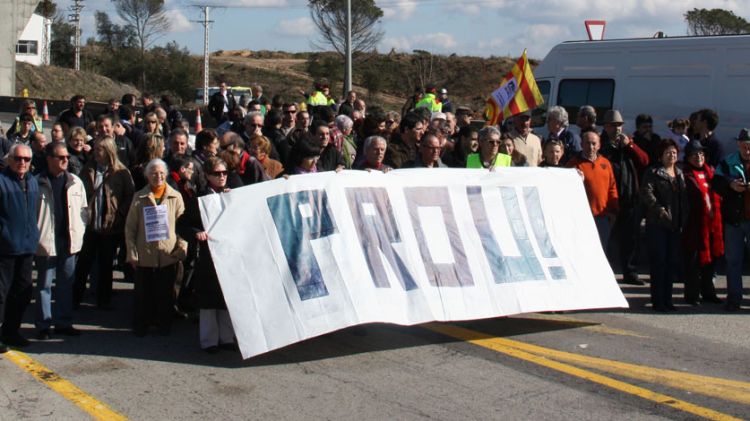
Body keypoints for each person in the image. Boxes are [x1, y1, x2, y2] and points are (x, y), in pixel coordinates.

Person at [176, 157, 236, 353]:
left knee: (227, 298)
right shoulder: (200, 199)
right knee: (209, 300)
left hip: (229, 254)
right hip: (209, 256)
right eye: (217, 173)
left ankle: (227, 338)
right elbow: (182, 224)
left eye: (224, 173)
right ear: (208, 175)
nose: (221, 177)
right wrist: (196, 232)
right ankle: (209, 340)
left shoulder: (232, 195)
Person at [125, 158, 187, 336]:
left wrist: (181, 249)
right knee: (143, 293)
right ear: (147, 176)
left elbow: (183, 226)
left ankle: (163, 324)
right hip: (145, 253)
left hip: (168, 254)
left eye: (161, 173)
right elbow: (130, 228)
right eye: (153, 173)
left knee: (166, 293)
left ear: (166, 175)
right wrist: (132, 253)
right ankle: (142, 324)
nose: (157, 176)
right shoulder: (139, 197)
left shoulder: (176, 197)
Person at [34, 143, 88, 340]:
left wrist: (79, 233)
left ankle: (64, 323)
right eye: (61, 157)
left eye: (67, 157)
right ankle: (43, 325)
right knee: (44, 285)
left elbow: (83, 211)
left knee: (66, 284)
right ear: (49, 159)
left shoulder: (75, 182)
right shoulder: (37, 182)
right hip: (46, 241)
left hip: (69, 240)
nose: (66, 160)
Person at [74, 138, 135, 310]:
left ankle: (103, 299)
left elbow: (130, 196)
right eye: (95, 149)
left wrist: (120, 213)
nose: (95, 153)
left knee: (106, 264)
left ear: (109, 151)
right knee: (83, 263)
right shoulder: (88, 169)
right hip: (91, 225)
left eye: (99, 150)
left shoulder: (121, 173)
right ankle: (75, 297)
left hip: (110, 226)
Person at [600, 109, 649, 285]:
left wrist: (630, 146)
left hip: (629, 198)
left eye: (619, 125)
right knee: (606, 237)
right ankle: (605, 272)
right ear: (606, 127)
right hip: (609, 200)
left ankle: (630, 271)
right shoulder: (601, 145)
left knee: (630, 238)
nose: (617, 129)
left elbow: (644, 161)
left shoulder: (628, 145)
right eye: (613, 126)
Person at [0, 144, 40, 350]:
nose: (22, 162)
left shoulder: (33, 182)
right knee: (1, 293)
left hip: (26, 247)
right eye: (18, 158)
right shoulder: (2, 182)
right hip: (5, 248)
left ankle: (11, 331)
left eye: (26, 159)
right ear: (9, 159)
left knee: (23, 291)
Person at [640, 139, 688, 312]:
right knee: (659, 262)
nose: (672, 155)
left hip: (675, 225)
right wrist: (659, 210)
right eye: (668, 152)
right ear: (661, 155)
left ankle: (668, 299)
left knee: (671, 262)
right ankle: (658, 300)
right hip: (658, 223)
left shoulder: (680, 174)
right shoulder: (653, 172)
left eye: (674, 152)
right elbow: (646, 193)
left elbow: (684, 200)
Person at [681, 140, 723, 306]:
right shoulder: (685, 174)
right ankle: (692, 294)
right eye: (694, 154)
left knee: (710, 261)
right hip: (694, 224)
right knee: (693, 262)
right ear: (688, 157)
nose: (698, 157)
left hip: (712, 224)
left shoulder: (711, 172)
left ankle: (708, 292)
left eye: (701, 154)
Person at [713, 128, 750, 311]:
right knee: (733, 260)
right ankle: (734, 297)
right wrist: (731, 184)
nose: (747, 151)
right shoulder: (727, 163)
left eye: (749, 147)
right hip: (734, 219)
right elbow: (716, 183)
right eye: (744, 146)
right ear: (738, 145)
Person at [567, 131, 619, 250]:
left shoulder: (605, 163)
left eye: (594, 143)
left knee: (602, 251)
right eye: (587, 143)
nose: (591, 147)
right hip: (582, 218)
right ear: (581, 144)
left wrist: (613, 211)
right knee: (583, 250)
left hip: (602, 217)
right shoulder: (573, 164)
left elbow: (612, 188)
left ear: (599, 145)